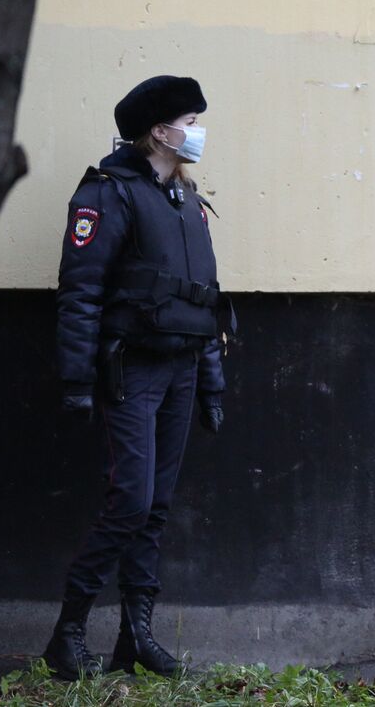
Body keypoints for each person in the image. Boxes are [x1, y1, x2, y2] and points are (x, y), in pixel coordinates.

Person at [41, 74, 232, 680]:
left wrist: (211, 382)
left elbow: (202, 299)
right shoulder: (108, 194)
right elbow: (81, 292)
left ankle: (135, 636)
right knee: (129, 502)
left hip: (180, 369)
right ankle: (67, 634)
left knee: (156, 508)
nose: (197, 131)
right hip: (133, 372)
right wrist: (76, 380)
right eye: (190, 120)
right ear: (160, 130)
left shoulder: (184, 197)